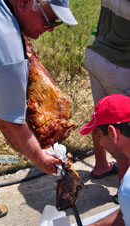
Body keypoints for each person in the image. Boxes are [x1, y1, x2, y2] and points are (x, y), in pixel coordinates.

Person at [0, 0, 77, 225]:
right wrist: (39, 158)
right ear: (24, 2)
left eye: (56, 23)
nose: (51, 27)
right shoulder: (9, 50)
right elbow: (8, 123)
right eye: (49, 19)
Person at [84, 0, 130, 203]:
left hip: (96, 53)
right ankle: (124, 190)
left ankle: (101, 165)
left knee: (102, 115)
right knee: (122, 127)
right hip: (119, 65)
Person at [80, 94, 130, 226]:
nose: (100, 143)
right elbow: (125, 213)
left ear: (112, 132)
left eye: (99, 136)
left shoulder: (127, 188)